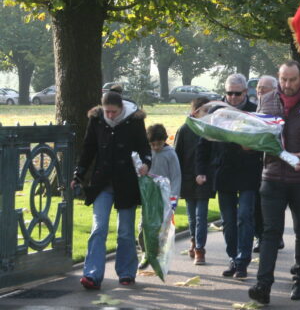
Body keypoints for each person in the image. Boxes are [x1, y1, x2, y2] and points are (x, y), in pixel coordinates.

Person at [248, 60, 300, 304]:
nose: (287, 85)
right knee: (270, 232)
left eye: (292, 80)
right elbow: (260, 133)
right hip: (272, 176)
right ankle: (263, 285)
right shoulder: (267, 100)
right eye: (283, 79)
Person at [72, 91, 151, 290]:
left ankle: (126, 272)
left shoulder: (134, 120)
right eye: (107, 111)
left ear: (121, 108)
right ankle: (92, 274)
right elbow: (88, 149)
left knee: (125, 231)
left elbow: (144, 147)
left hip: (127, 182)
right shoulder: (97, 119)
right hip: (102, 182)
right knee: (98, 228)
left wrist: (146, 164)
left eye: (114, 112)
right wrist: (78, 175)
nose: (110, 115)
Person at [196, 73, 262, 279]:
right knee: (228, 221)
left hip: (249, 172)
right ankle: (233, 257)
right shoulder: (216, 111)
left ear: (245, 92)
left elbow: (265, 141)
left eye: (237, 93)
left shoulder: (255, 111)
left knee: (245, 217)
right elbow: (203, 143)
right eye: (229, 93)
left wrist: (252, 147)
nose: (232, 97)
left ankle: (243, 260)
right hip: (224, 172)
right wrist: (200, 170)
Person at [173, 97, 214, 265]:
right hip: (188, 180)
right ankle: (193, 239)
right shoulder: (184, 130)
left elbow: (213, 156)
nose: (208, 114)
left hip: (204, 179)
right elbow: (177, 156)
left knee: (201, 216)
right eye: (205, 111)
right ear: (195, 112)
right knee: (192, 217)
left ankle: (200, 248)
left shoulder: (211, 131)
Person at [138, 123, 181, 269]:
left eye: (159, 144)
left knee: (161, 228)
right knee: (143, 225)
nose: (156, 147)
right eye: (153, 144)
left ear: (165, 140)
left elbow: (176, 176)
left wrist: (174, 197)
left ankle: (158, 255)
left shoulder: (170, 154)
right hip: (149, 195)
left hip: (164, 197)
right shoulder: (146, 154)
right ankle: (145, 253)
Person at [252, 75, 278, 253]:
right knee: (257, 205)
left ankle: (273, 237)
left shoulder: (276, 109)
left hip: (274, 166)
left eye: (265, 88)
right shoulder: (255, 108)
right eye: (259, 87)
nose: (260, 90)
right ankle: (260, 237)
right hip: (255, 166)